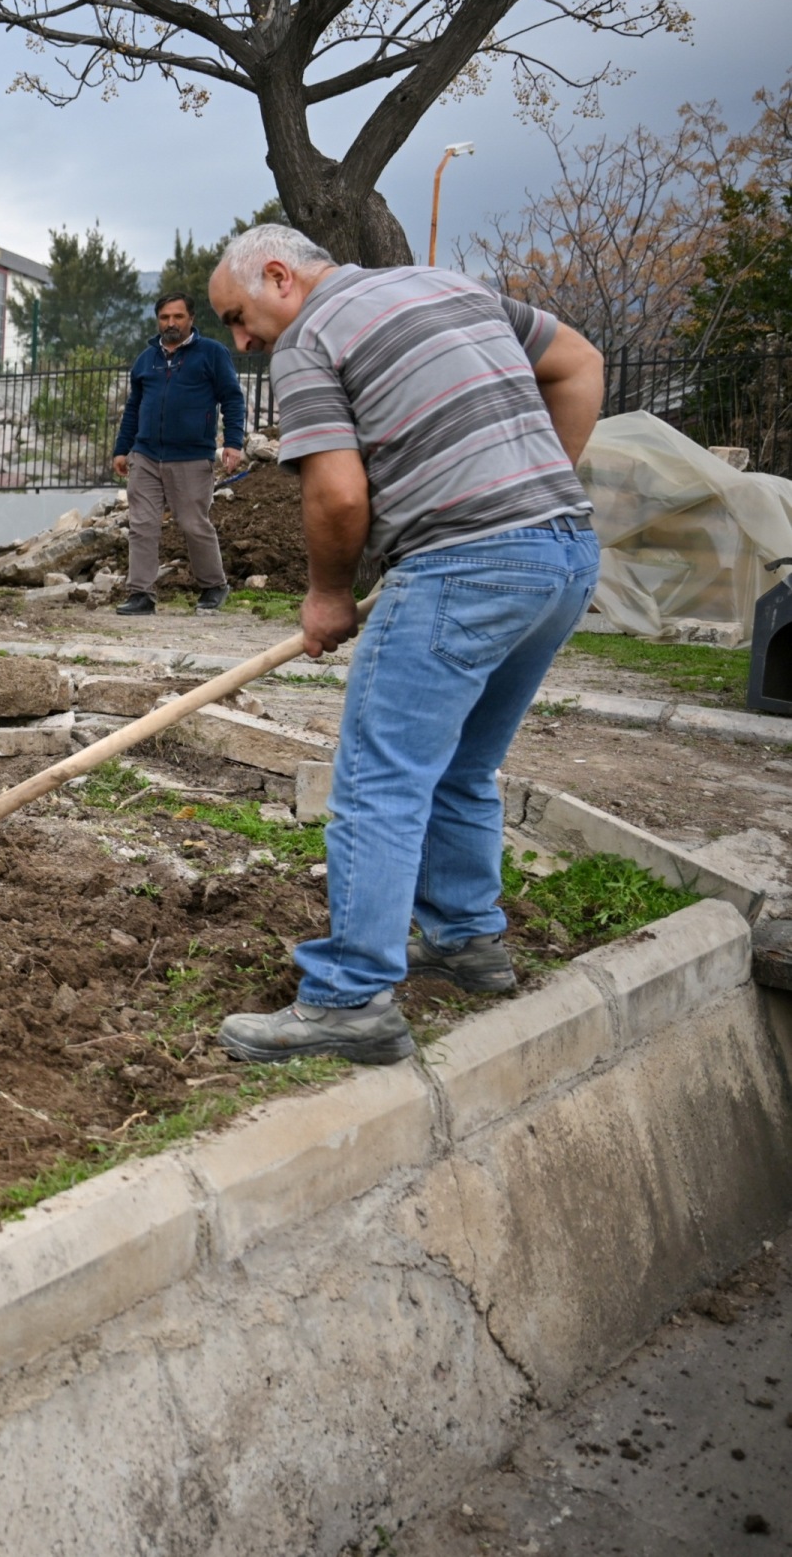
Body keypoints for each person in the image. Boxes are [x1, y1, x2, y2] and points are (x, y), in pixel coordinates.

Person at [206, 224, 602, 1065]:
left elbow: (339, 495)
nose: (241, 343)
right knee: (460, 765)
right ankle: (465, 939)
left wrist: (327, 594)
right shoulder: (450, 286)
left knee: (377, 782)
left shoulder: (310, 336)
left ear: (278, 275)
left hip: (464, 566)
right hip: (563, 555)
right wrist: (527, 502)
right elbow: (579, 364)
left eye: (237, 317)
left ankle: (350, 997)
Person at [111, 294, 247, 614]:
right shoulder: (146, 360)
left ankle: (213, 585)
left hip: (191, 456)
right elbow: (134, 407)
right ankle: (141, 594)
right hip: (145, 455)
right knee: (142, 525)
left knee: (192, 523)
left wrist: (233, 442)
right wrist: (122, 449)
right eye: (164, 317)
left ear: (191, 318)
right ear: (157, 320)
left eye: (178, 316)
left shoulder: (212, 353)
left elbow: (232, 398)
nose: (171, 323)